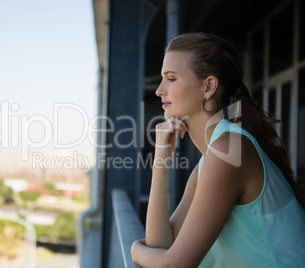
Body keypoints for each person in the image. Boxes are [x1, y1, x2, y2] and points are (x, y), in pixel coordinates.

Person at [130, 33, 305, 268]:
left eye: (171, 78)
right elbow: (162, 246)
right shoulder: (211, 159)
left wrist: (134, 249)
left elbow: (174, 264)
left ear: (209, 86)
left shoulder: (227, 151)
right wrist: (160, 163)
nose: (159, 90)